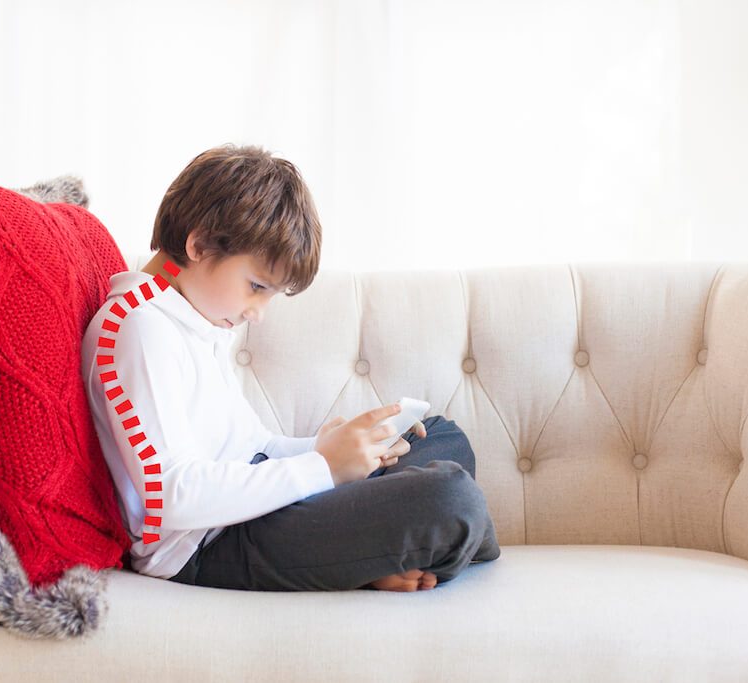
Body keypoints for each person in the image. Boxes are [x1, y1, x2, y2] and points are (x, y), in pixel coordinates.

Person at [80, 144, 501, 592]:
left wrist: (329, 448)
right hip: (207, 543)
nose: (258, 313)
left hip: (256, 504)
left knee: (440, 435)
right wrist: (324, 467)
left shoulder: (192, 317)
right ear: (199, 243)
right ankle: (380, 556)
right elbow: (170, 496)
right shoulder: (140, 327)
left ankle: (376, 556)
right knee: (450, 499)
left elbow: (251, 447)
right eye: (256, 286)